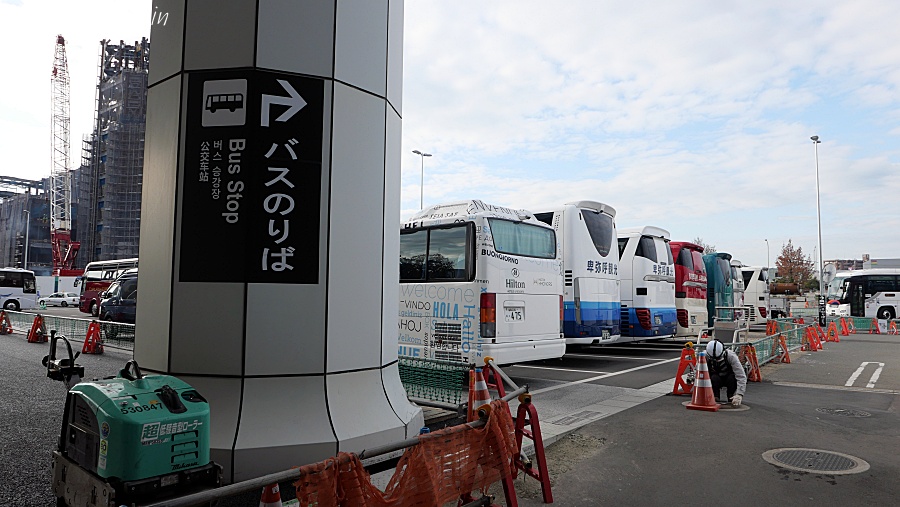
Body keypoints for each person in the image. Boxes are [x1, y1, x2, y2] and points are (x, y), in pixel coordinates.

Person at [705, 339, 746, 406]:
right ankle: (714, 396)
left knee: (732, 378)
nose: (716, 361)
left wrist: (739, 394)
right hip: (715, 378)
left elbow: (741, 375)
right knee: (714, 378)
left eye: (718, 358)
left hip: (729, 377)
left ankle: (731, 397)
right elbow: (698, 374)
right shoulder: (704, 356)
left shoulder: (731, 356)